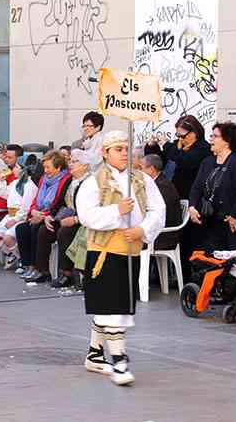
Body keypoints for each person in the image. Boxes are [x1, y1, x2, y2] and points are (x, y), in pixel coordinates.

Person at [76, 130, 165, 386]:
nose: (124, 153)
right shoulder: (95, 181)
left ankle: (95, 354)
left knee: (116, 304)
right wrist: (117, 210)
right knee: (113, 308)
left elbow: (158, 209)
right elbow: (87, 215)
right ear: (105, 153)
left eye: (126, 149)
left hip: (131, 249)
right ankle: (119, 360)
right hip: (104, 251)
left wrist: (143, 229)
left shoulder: (141, 179)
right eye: (118, 149)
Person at [149, 115, 211, 282]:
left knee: (192, 242)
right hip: (180, 198)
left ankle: (194, 278)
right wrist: (153, 148)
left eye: (183, 136)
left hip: (195, 200)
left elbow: (184, 161)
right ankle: (180, 277)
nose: (181, 139)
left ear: (194, 133)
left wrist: (167, 145)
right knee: (182, 242)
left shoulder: (202, 148)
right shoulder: (178, 148)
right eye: (178, 135)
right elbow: (161, 160)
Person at [189, 122, 236, 251]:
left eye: (215, 136)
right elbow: (196, 187)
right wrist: (192, 207)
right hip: (211, 221)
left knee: (232, 263)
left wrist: (234, 215)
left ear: (227, 141)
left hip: (234, 223)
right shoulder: (207, 162)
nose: (211, 139)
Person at [34, 150, 89, 288]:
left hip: (83, 220)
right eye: (70, 161)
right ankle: (43, 270)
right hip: (66, 216)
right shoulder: (71, 181)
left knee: (64, 232)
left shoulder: (89, 182)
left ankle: (67, 273)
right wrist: (50, 217)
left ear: (85, 166)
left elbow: (90, 209)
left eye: (75, 161)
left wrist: (75, 219)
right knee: (44, 230)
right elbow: (59, 202)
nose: (70, 164)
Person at [18, 150, 72, 283]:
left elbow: (59, 203)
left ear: (58, 167)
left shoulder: (65, 179)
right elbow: (36, 200)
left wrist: (43, 216)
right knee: (22, 228)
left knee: (39, 229)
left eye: (48, 167)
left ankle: (42, 270)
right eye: (44, 167)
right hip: (41, 213)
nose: (45, 170)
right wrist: (33, 212)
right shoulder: (43, 179)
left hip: (55, 216)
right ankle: (30, 266)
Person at [0, 162, 38, 270]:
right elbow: (4, 194)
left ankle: (22, 259)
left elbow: (26, 207)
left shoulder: (29, 186)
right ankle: (13, 253)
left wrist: (15, 220)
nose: (13, 169)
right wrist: (1, 181)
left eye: (16, 167)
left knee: (8, 238)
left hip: (21, 217)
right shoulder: (16, 183)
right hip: (10, 215)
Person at [140, 154, 181, 250]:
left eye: (141, 168)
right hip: (158, 230)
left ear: (151, 169)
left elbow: (155, 212)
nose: (139, 172)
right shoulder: (157, 183)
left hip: (164, 235)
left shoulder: (163, 186)